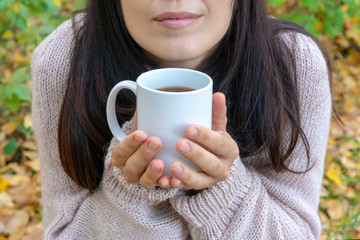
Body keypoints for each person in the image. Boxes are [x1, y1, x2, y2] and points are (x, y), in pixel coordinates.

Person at [31, 0, 334, 239]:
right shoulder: (66, 60)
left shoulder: (293, 63)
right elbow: (63, 233)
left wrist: (222, 190)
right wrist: (131, 193)